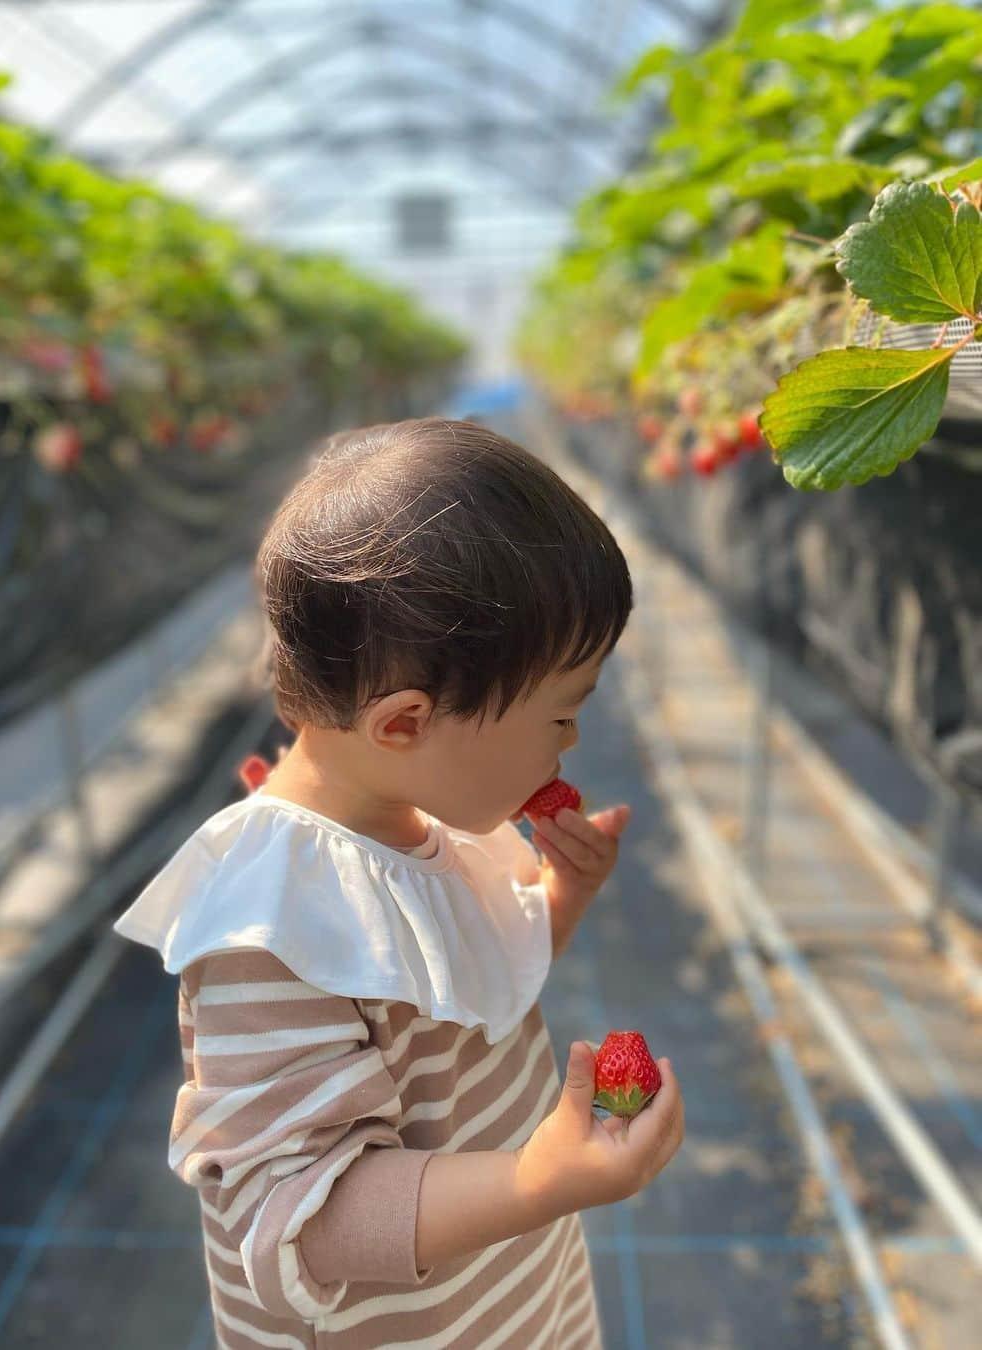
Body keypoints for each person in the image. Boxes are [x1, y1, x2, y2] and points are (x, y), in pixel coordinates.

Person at [112, 417, 686, 1349]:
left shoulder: (420, 823)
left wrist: (560, 901)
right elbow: (310, 1212)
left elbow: (462, 996)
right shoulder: (274, 927)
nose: (572, 745)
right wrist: (538, 1181)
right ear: (405, 723)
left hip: (501, 1301)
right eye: (561, 714)